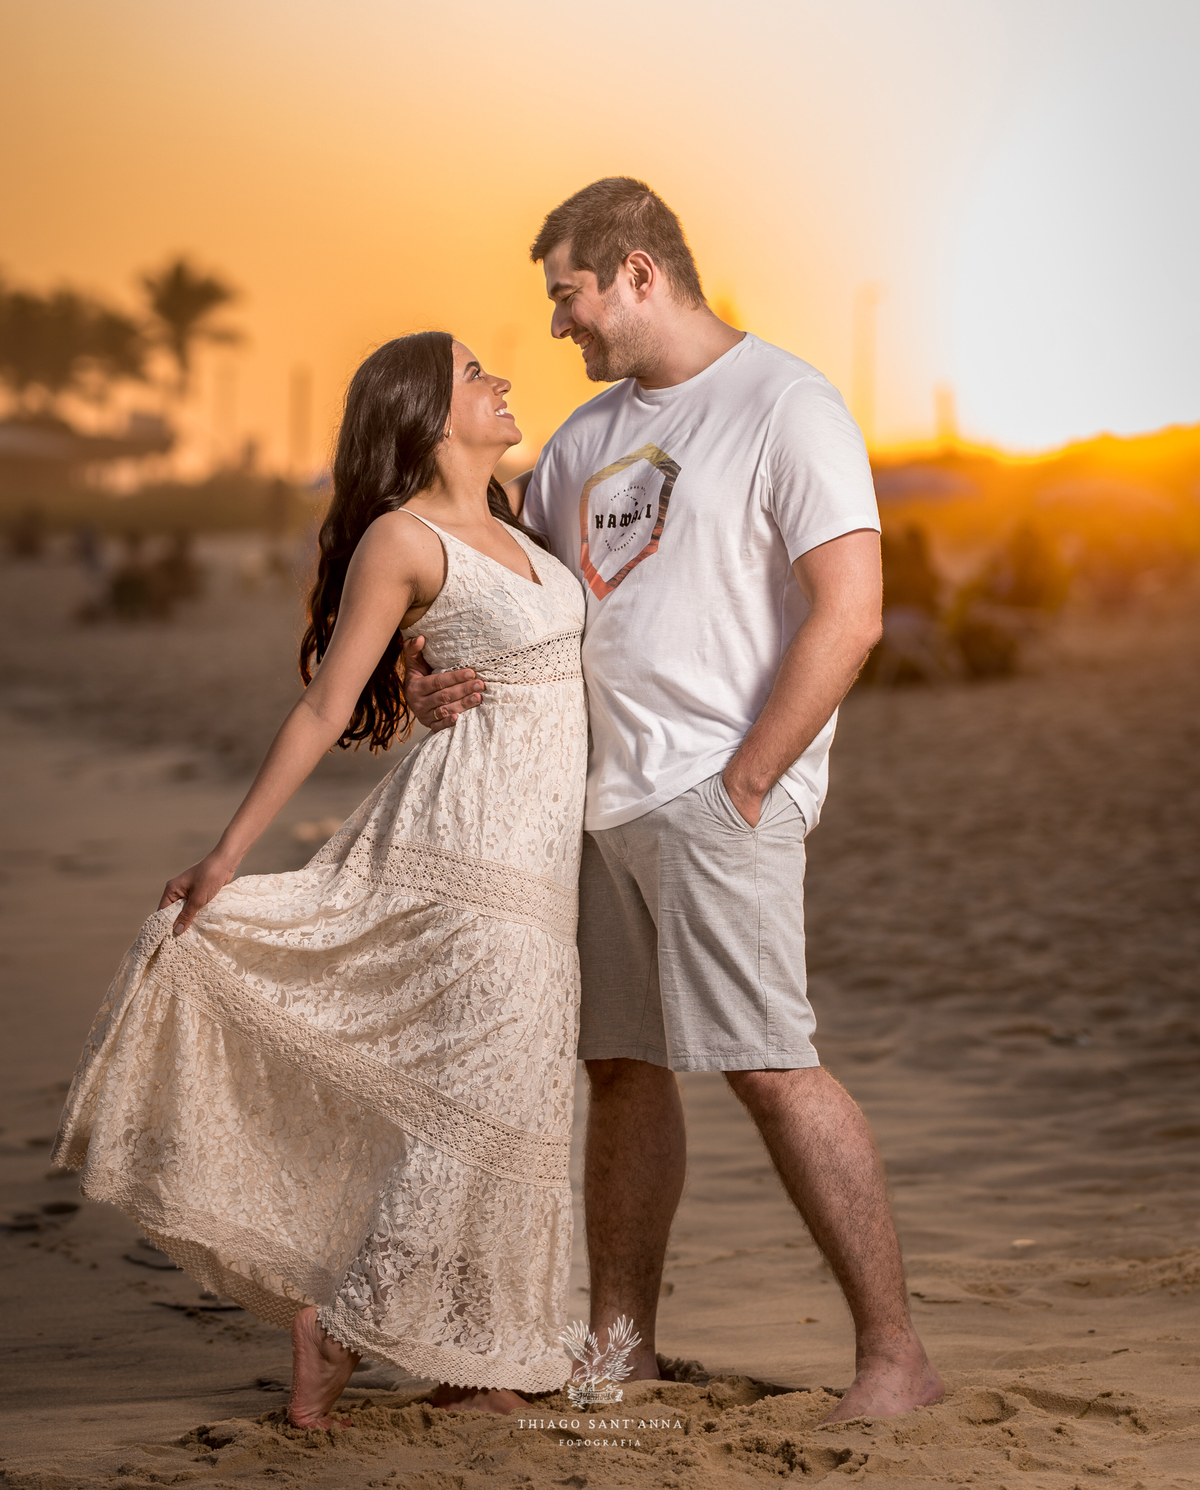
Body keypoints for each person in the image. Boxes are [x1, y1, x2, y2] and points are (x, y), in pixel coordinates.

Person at [404, 178, 943, 1419]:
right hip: (594, 808)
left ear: (638, 271)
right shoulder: (587, 440)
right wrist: (429, 676)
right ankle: (620, 1345)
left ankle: (895, 1358)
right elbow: (512, 594)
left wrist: (749, 782)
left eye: (569, 294)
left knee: (769, 1066)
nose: (558, 326)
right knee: (622, 1069)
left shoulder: (787, 405)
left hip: (718, 798)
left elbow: (851, 613)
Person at [52, 332, 588, 1425]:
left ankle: (473, 1358)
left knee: (518, 1096)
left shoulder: (524, 516)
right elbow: (325, 704)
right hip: (469, 849)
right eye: (475, 373)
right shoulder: (401, 537)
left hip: (544, 862)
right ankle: (337, 1324)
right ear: (428, 417)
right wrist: (228, 853)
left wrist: (428, 679)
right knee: (477, 1100)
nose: (501, 382)